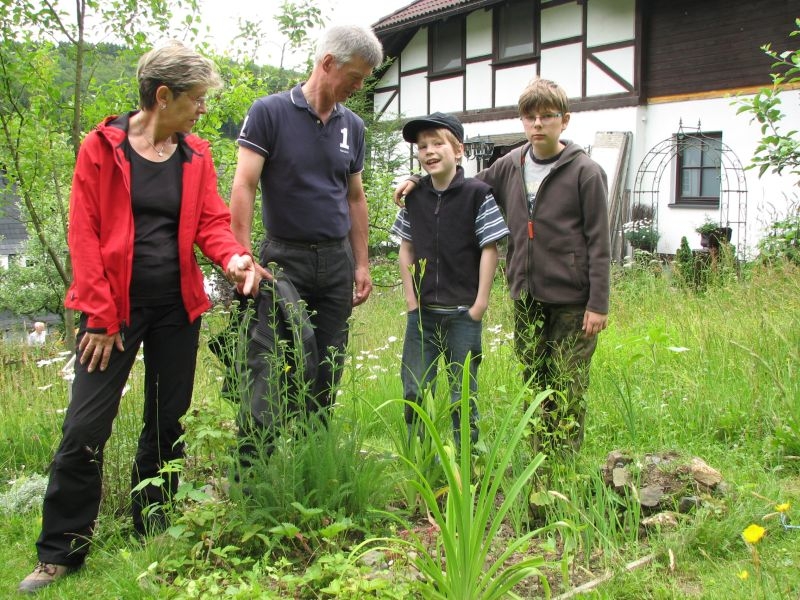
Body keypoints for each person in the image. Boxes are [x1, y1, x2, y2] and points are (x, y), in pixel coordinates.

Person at [18, 41, 259, 594]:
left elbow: (212, 223)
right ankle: (60, 551)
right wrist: (101, 317)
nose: (203, 109)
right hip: (112, 313)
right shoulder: (102, 148)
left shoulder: (195, 155)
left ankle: (153, 524)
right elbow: (84, 234)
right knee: (84, 427)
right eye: (197, 99)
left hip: (178, 308)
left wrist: (233, 257)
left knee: (166, 419)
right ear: (163, 95)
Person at [395, 78, 610, 458]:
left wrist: (598, 303)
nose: (538, 124)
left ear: (565, 120)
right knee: (534, 380)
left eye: (547, 116)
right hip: (526, 296)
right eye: (530, 117)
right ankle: (539, 458)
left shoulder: (585, 172)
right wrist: (417, 180)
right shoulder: (511, 164)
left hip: (573, 299)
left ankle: (564, 466)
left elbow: (599, 240)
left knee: (568, 383)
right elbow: (460, 186)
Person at [229, 25, 383, 455]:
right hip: (283, 262)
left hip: (335, 263)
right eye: (355, 77)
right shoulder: (269, 112)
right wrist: (241, 254)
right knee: (271, 366)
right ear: (328, 62)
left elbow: (355, 197)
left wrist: (362, 263)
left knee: (327, 368)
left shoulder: (353, 126)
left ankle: (311, 463)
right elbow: (244, 185)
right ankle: (253, 470)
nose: (359, 87)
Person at [390, 113, 508, 448]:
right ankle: (420, 454)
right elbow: (406, 248)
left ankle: (466, 458)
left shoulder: (477, 194)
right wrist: (411, 302)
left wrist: (479, 305)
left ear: (458, 151)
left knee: (462, 394)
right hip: (422, 316)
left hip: (462, 315)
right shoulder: (414, 197)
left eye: (437, 143)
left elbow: (490, 249)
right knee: (415, 389)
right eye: (422, 146)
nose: (429, 151)